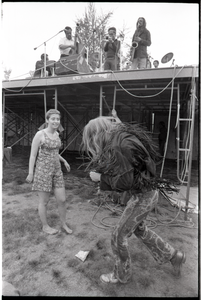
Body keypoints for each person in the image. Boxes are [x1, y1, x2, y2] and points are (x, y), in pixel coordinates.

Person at [81, 111, 185, 284]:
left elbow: (125, 182)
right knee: (140, 230)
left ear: (96, 135)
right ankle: (174, 256)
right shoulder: (121, 137)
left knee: (118, 235)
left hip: (143, 196)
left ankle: (120, 275)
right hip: (147, 192)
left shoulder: (118, 146)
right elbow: (128, 169)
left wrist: (100, 178)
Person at [26, 109, 72, 235]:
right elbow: (32, 156)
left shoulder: (57, 134)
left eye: (58, 119)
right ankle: (45, 226)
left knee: (62, 200)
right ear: (47, 120)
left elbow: (55, 152)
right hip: (43, 171)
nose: (56, 121)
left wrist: (64, 161)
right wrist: (31, 173)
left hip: (57, 170)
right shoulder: (40, 135)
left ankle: (63, 224)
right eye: (53, 119)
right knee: (44, 202)